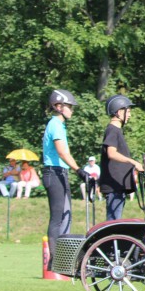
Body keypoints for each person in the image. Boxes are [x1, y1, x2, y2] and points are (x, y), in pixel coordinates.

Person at [42, 89, 88, 268]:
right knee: (57, 218)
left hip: (60, 173)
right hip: (54, 173)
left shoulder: (59, 125)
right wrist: (79, 170)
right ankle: (54, 260)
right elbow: (62, 152)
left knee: (65, 215)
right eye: (69, 106)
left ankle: (63, 258)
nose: (72, 110)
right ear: (59, 107)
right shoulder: (55, 124)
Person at [98, 95, 145, 220]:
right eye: (128, 111)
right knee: (113, 222)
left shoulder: (116, 131)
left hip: (118, 185)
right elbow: (111, 153)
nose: (129, 115)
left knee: (115, 221)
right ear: (119, 112)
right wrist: (133, 162)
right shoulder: (112, 130)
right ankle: (110, 240)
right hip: (114, 186)